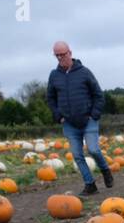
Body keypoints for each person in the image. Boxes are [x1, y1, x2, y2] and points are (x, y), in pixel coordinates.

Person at [46, 41, 112, 195]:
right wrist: (58, 116)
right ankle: (90, 184)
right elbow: (50, 98)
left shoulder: (84, 72)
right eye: (57, 55)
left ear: (70, 52)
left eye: (63, 54)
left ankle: (105, 170)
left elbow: (98, 95)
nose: (60, 58)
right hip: (69, 123)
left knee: (93, 150)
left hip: (88, 120)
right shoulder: (54, 75)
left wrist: (94, 115)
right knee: (77, 155)